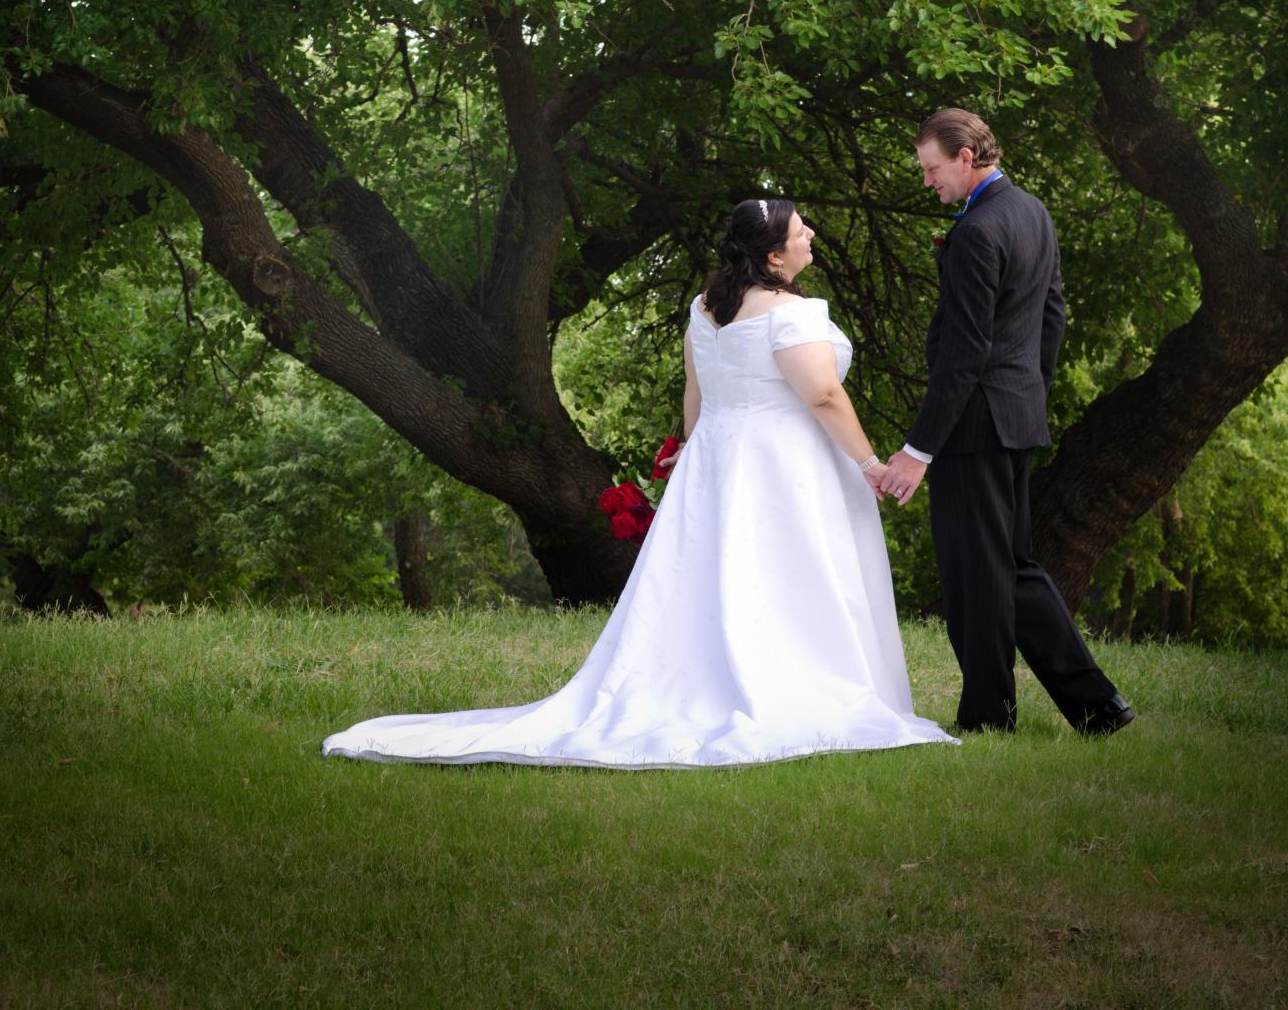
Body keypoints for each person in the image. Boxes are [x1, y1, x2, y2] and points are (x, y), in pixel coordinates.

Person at [323, 198, 958, 767]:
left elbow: (696, 394)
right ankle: (801, 687)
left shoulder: (706, 309)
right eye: (800, 231)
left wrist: (694, 451)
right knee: (792, 573)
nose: (811, 234)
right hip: (784, 464)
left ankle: (722, 677)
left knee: (725, 576)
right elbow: (822, 394)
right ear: (773, 256)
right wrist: (870, 465)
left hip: (720, 458)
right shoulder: (791, 314)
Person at [872, 108, 1134, 736]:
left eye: (932, 168)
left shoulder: (976, 232)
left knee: (976, 576)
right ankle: (1098, 708)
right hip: (1015, 416)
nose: (927, 181)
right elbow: (1053, 315)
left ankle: (990, 718)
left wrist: (918, 450)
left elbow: (963, 354)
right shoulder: (1032, 212)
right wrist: (1026, 391)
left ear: (966, 157)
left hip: (974, 427)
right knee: (1011, 569)